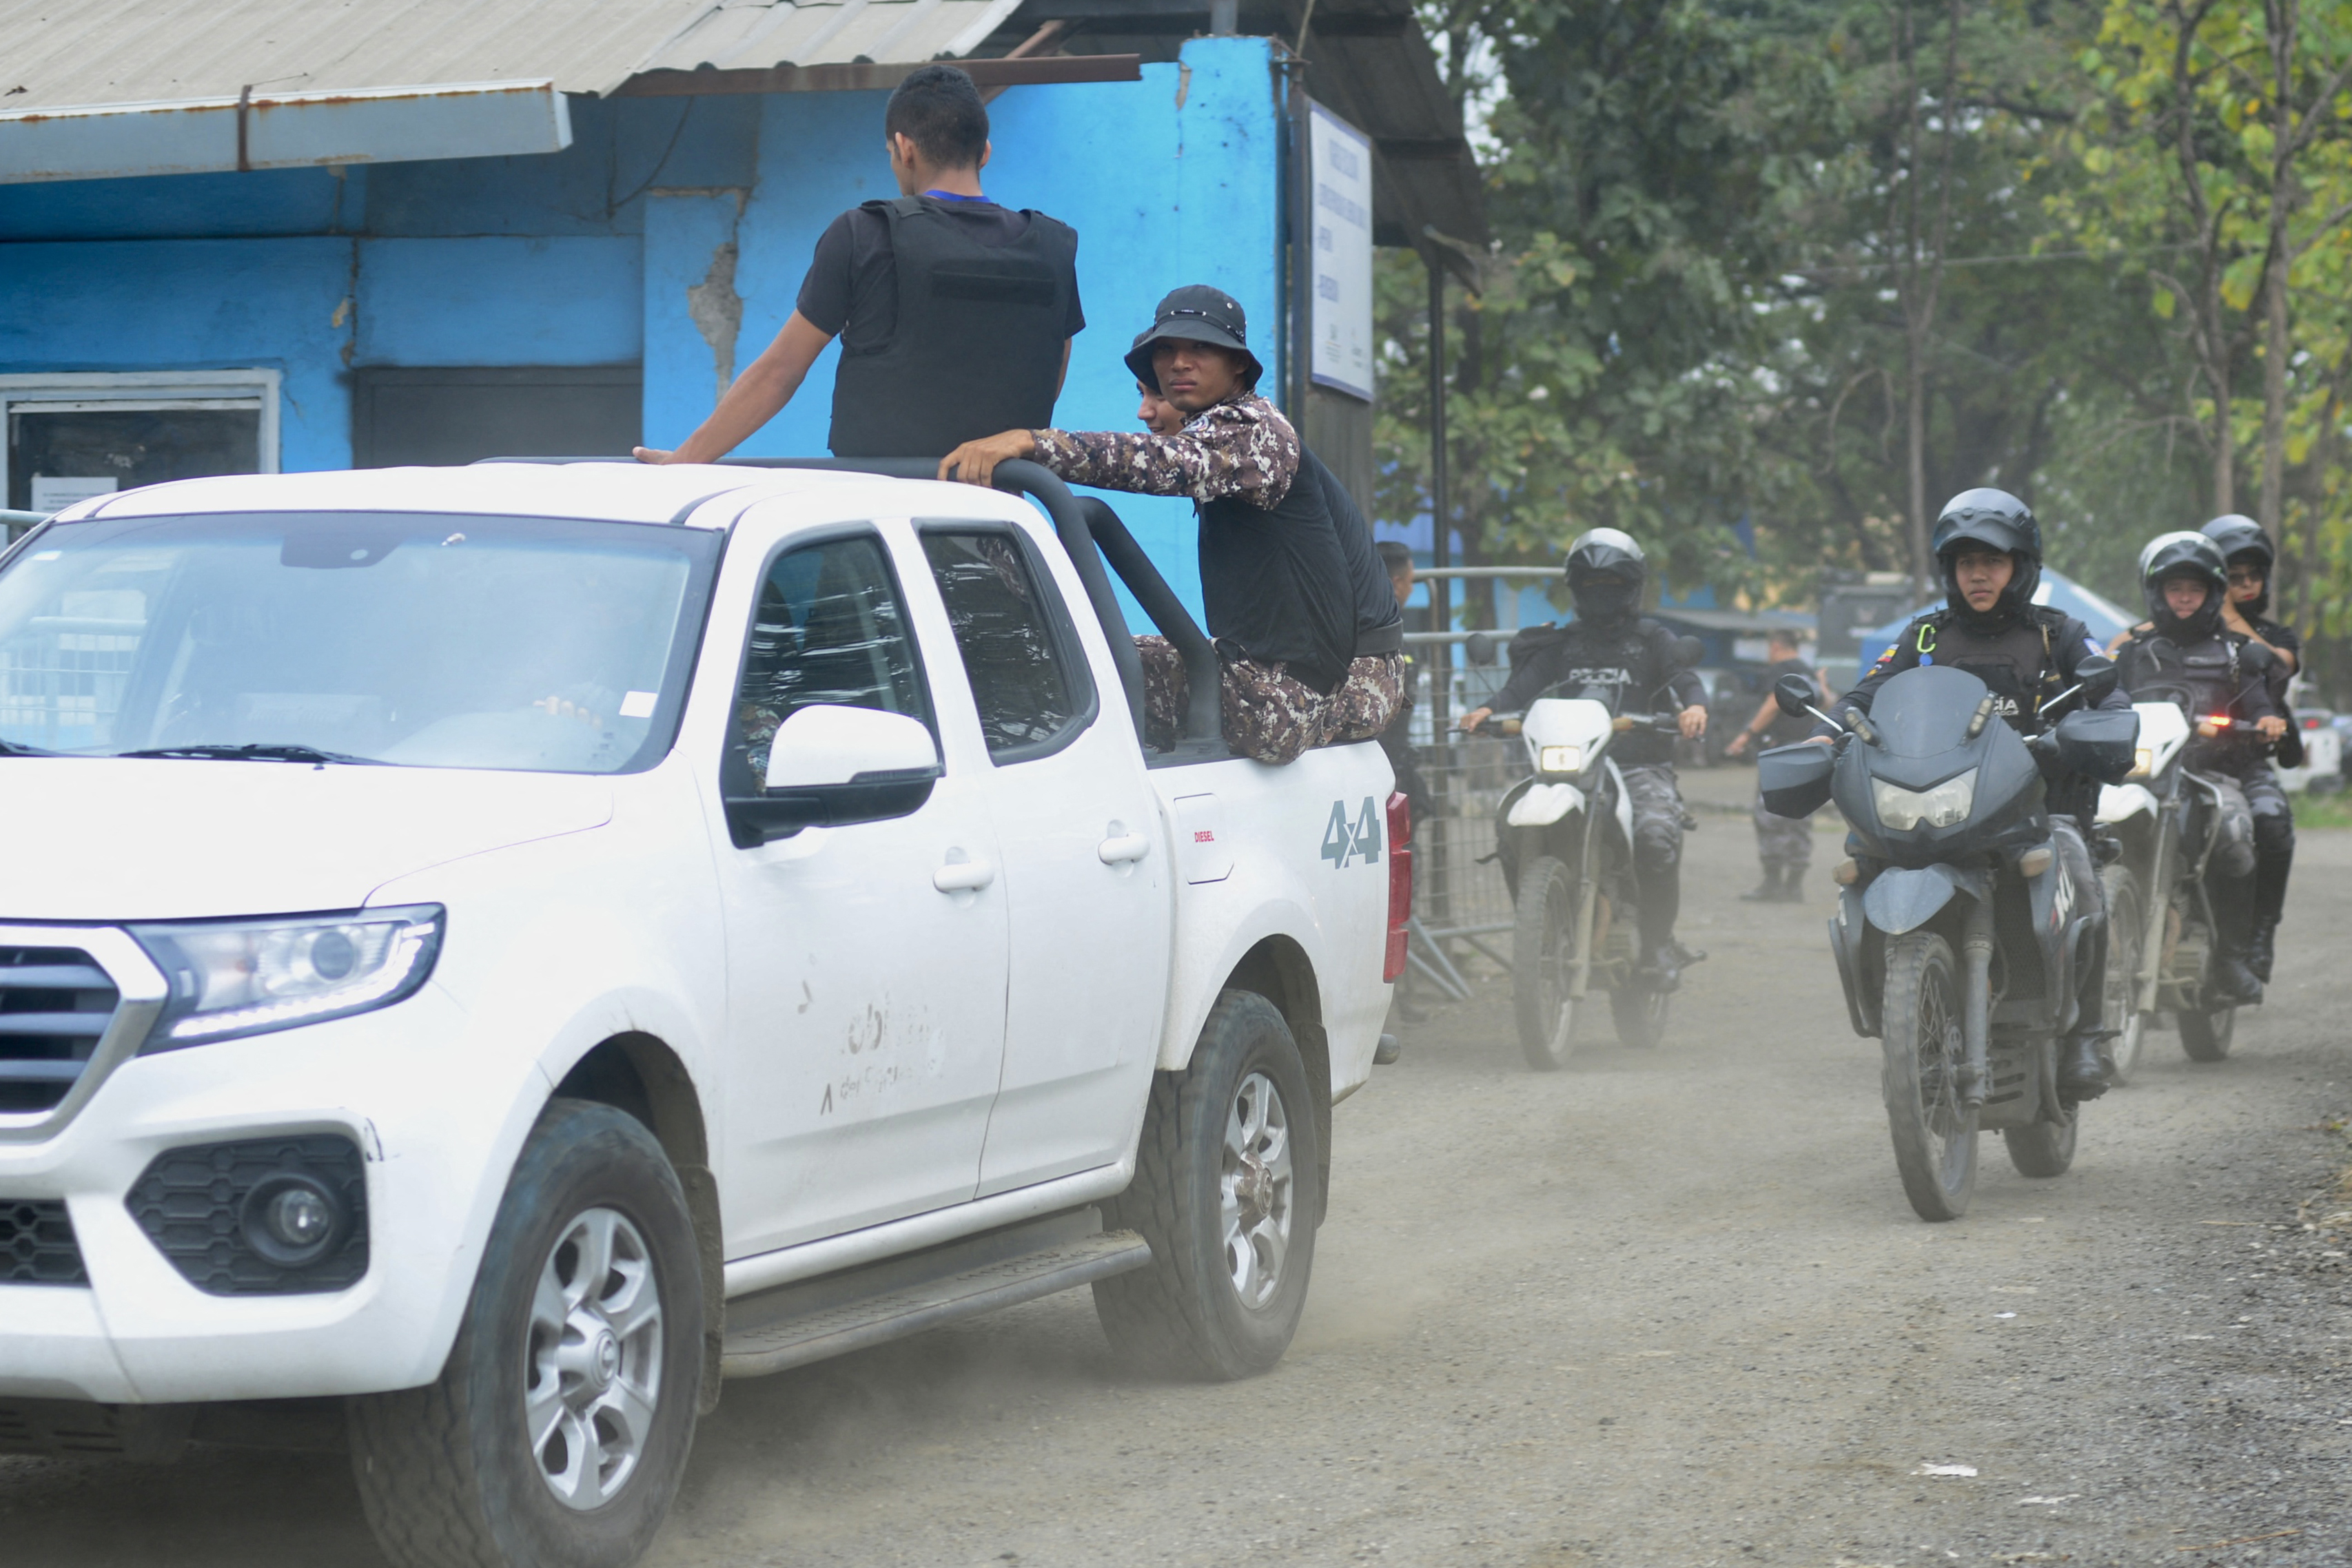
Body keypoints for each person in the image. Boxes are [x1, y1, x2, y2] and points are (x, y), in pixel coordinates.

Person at [942, 287, 1397, 764]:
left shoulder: (1254, 430)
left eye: (1200, 348)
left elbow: (1161, 462)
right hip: (1290, 679)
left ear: (1238, 364)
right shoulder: (1225, 436)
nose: (1179, 363)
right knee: (1085, 648)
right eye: (1166, 351)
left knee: (1068, 662)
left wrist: (1032, 444)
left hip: (1312, 692)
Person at [1811, 488, 2129, 1098]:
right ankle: (1903, 1010)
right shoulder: (1925, 637)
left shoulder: (2057, 635)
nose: (1977, 574)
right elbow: (1863, 696)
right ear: (1949, 572)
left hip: (2037, 808)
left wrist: (2089, 728)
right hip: (1937, 802)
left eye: (1992, 560)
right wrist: (1831, 737)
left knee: (2081, 874)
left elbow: (2108, 696)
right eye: (1964, 563)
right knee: (1864, 856)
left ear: (2021, 567)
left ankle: (2086, 1033)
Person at [635, 64, 1082, 464]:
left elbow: (780, 371)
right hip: (1000, 519)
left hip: (879, 523)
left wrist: (685, 461)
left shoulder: (865, 233)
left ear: (905, 149)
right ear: (984, 152)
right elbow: (1049, 374)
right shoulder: (1053, 248)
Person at [1456, 528, 1708, 991]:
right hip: (1568, 765)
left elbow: (1683, 675)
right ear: (1575, 589)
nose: (1600, 595)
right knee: (1510, 825)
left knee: (1655, 836)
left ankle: (1655, 944)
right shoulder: (1558, 644)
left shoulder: (1651, 639)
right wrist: (1487, 711)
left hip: (1637, 766)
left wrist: (1693, 706)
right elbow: (1520, 688)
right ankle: (1543, 926)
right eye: (1590, 586)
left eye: (1610, 585)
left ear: (1630, 587)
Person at [2114, 531, 2289, 1004]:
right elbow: (2106, 702)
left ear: (2213, 592)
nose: (2185, 597)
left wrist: (2266, 719)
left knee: (2236, 843)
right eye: (2174, 588)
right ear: (2157, 593)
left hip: (2218, 773)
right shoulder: (2133, 651)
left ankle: (2232, 956)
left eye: (2194, 587)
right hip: (2146, 773)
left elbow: (2257, 697)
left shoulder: (2236, 652)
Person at [2200, 515, 2300, 982]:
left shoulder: (2274, 638)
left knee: (2272, 825)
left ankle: (2259, 934)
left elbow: (2279, 667)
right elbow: (2119, 649)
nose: (2241, 585)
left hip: (2244, 761)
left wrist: (2224, 614)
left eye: (2250, 577)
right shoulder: (2175, 627)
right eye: (2229, 577)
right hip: (2183, 761)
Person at [1723, 626, 1822, 902]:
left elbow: (1772, 703)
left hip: (1781, 751)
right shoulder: (1808, 671)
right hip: (1807, 749)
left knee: (1771, 816)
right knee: (1799, 817)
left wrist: (1746, 735)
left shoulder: (1779, 670)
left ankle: (1773, 884)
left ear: (1776, 647)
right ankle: (1794, 886)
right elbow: (1824, 701)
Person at [1373, 541, 1433, 823]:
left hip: (1388, 758)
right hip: (1385, 761)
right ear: (1397, 584)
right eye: (1410, 582)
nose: (1412, 589)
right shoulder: (1384, 634)